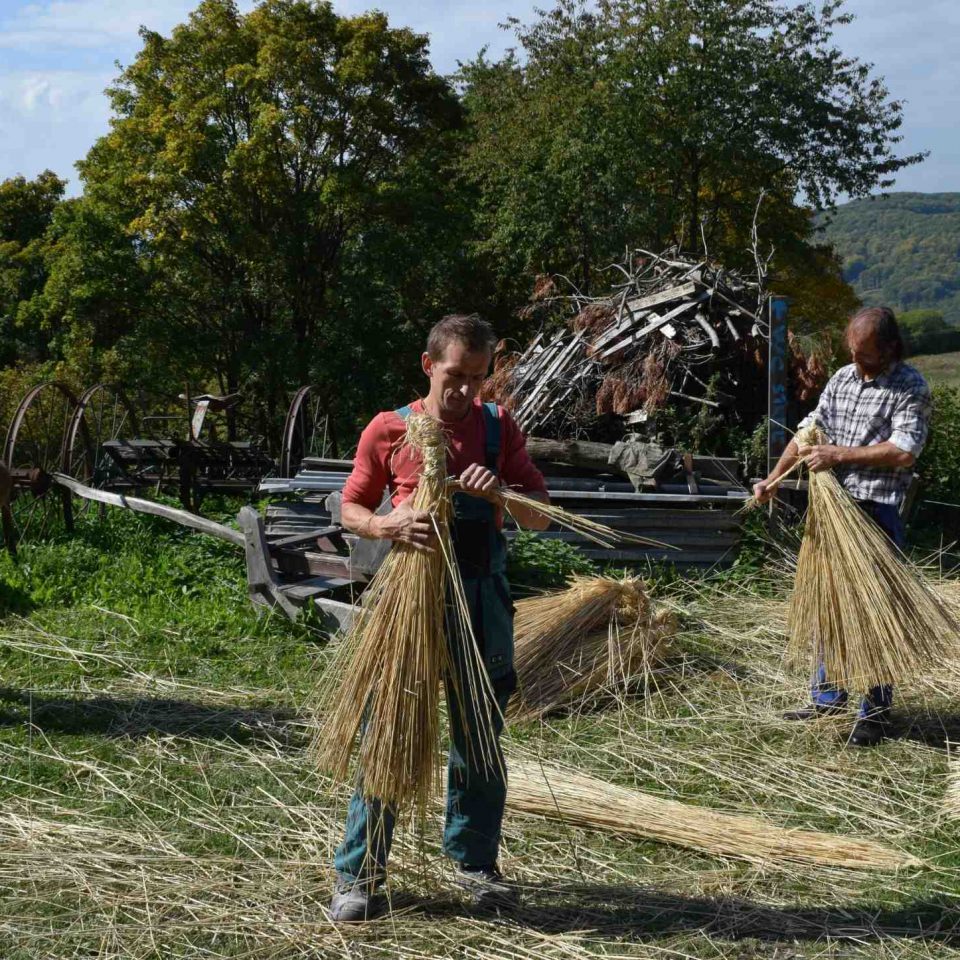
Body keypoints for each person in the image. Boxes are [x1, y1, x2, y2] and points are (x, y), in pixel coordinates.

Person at [330, 313, 550, 922]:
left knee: (480, 737)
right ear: (430, 366)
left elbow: (542, 516)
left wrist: (500, 494)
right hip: (411, 602)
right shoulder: (390, 429)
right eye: (455, 376)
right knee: (390, 729)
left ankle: (476, 864)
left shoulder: (497, 427)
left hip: (481, 600)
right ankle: (359, 874)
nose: (464, 392)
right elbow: (351, 505)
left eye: (477, 379)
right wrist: (385, 524)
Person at [754, 306, 932, 748]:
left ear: (890, 348)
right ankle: (827, 696)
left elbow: (904, 450)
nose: (857, 361)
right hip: (832, 510)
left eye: (866, 354)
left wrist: (839, 455)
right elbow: (809, 431)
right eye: (852, 352)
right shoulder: (842, 379)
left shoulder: (910, 386)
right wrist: (773, 480)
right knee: (827, 601)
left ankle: (874, 711)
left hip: (876, 510)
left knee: (875, 610)